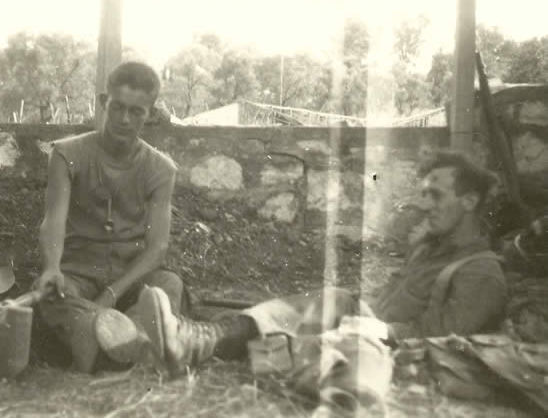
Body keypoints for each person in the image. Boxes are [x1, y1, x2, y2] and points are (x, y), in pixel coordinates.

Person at [94, 149, 509, 374]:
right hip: (357, 337)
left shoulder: (481, 271)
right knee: (261, 340)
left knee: (303, 325)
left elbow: (443, 344)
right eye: (424, 194)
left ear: (470, 201)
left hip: (381, 354)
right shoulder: (431, 250)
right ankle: (172, 344)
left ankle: (187, 342)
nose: (424, 204)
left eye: (436, 195)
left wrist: (373, 326)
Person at [34, 61, 183, 373]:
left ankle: (116, 340)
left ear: (150, 114)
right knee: (54, 292)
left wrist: (112, 294)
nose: (124, 119)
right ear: (104, 102)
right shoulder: (66, 154)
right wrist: (52, 267)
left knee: (167, 284)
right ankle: (125, 343)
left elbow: (157, 247)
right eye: (117, 107)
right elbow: (54, 220)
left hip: (130, 275)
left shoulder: (161, 169)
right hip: (79, 273)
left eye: (136, 112)